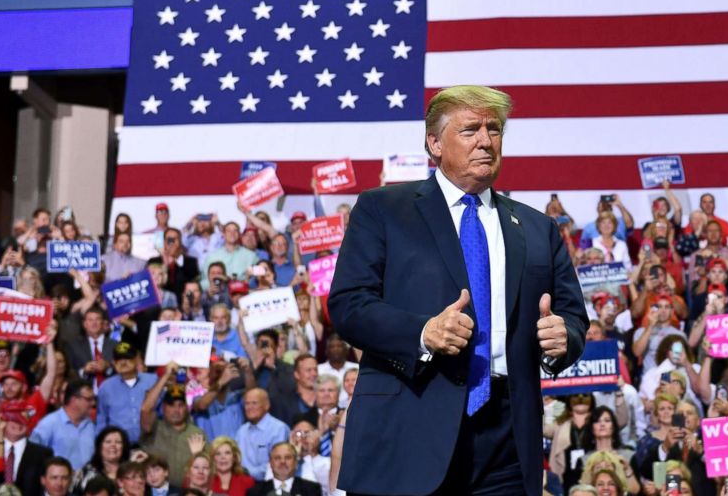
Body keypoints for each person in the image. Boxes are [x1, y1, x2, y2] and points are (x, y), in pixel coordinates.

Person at [329, 85, 588, 495]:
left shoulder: (538, 228)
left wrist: (565, 338)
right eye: (470, 130)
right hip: (409, 424)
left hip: (506, 440)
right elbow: (348, 305)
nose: (486, 141)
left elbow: (573, 316)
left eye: (494, 129)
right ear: (434, 142)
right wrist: (421, 333)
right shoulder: (383, 209)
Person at [30, 379, 96, 470]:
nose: (93, 403)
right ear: (74, 400)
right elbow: (33, 456)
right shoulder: (48, 424)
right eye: (89, 399)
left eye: (94, 399)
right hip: (58, 481)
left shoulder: (92, 425)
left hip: (87, 481)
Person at [0, 401, 52, 492]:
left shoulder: (43, 454)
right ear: (3, 420)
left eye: (23, 419)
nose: (18, 424)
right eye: (14, 419)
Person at [245, 442, 318, 495]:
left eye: (288, 457)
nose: (282, 462)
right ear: (270, 463)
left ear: (296, 463)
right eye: (277, 458)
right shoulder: (255, 492)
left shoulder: (312, 490)